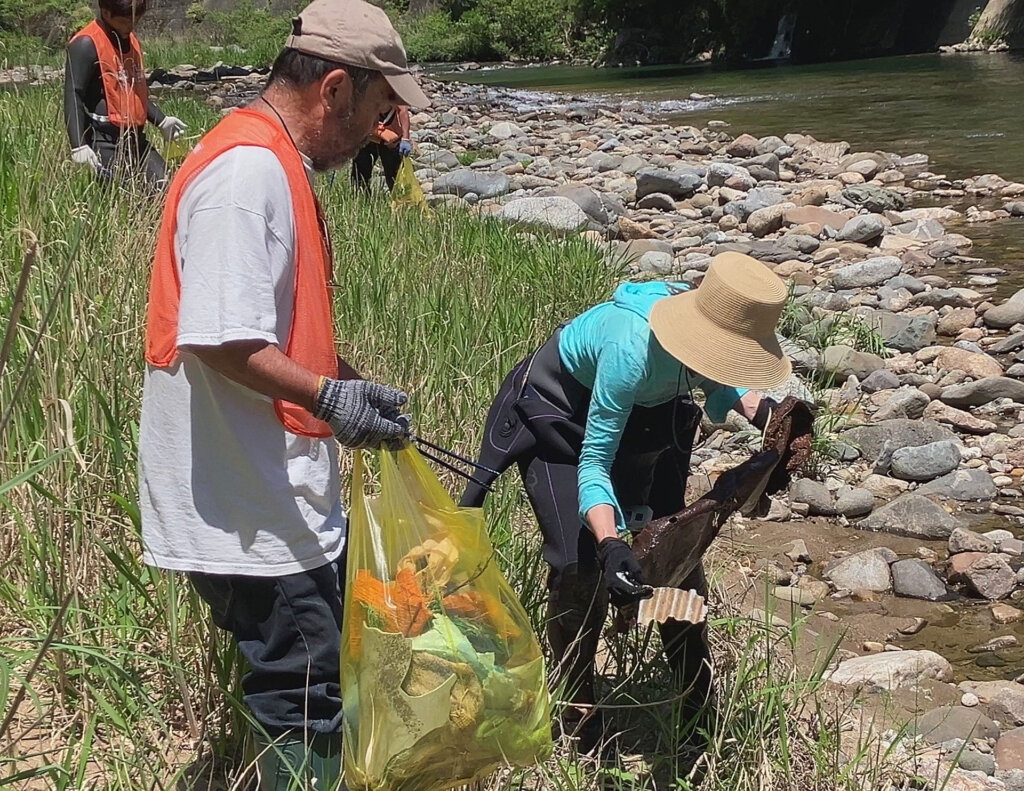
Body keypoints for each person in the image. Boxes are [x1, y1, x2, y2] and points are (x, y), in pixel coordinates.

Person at [137, 0, 428, 787]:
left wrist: (347, 381)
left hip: (269, 494)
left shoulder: (270, 161)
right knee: (304, 700)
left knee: (301, 682)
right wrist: (332, 404)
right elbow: (220, 335)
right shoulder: (246, 174)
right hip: (248, 507)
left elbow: (268, 326)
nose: (381, 129)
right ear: (334, 88)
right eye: (378, 108)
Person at [459, 252, 792, 753]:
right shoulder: (629, 348)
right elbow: (593, 463)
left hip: (645, 420)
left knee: (678, 556)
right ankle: (578, 709)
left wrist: (770, 418)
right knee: (580, 565)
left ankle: (696, 702)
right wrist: (612, 543)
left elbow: (725, 377)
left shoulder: (705, 337)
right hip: (564, 421)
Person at [64, 0, 186, 187]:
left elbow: (132, 90)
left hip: (136, 139)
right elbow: (74, 93)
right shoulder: (86, 44)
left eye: (136, 19)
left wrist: (161, 120)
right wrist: (78, 144)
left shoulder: (129, 38)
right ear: (106, 13)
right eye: (125, 20)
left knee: (169, 189)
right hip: (104, 141)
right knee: (122, 198)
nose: (131, 25)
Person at [350, 104, 411, 190]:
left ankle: (400, 200)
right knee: (359, 176)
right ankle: (361, 199)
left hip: (390, 140)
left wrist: (405, 138)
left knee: (395, 177)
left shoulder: (393, 92)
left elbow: (402, 110)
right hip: (368, 136)